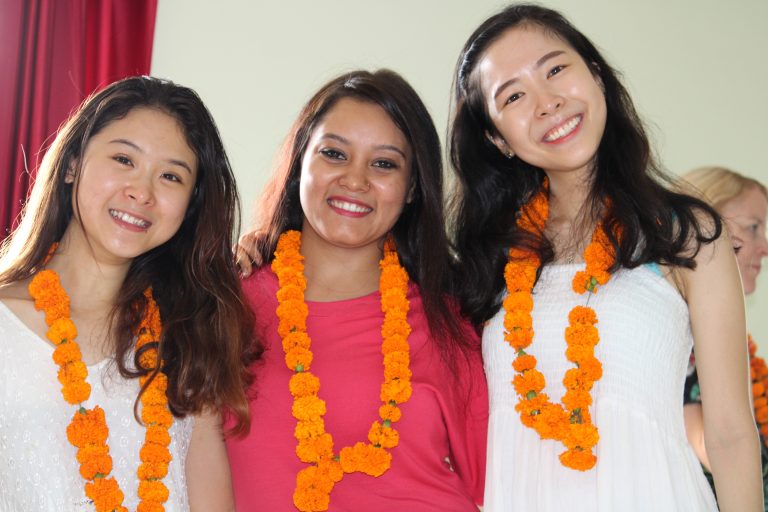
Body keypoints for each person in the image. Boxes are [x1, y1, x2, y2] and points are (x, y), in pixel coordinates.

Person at [449, 4, 762, 511]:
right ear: (495, 137)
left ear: (594, 74)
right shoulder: (488, 262)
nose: (547, 102)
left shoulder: (686, 235)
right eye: (514, 96)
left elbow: (729, 435)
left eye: (555, 69)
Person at [227, 69, 487, 512]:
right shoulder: (224, 302)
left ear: (411, 190)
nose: (355, 179)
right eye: (334, 153)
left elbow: (506, 482)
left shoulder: (449, 320)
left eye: (384, 163)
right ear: (299, 164)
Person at [0, 76, 259, 511]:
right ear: (71, 164)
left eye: (171, 176)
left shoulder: (187, 340)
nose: (142, 192)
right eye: (123, 159)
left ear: (189, 206)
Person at [681, 166, 768, 507]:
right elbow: (716, 447)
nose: (765, 249)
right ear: (707, 224)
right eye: (753, 227)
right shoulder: (680, 339)